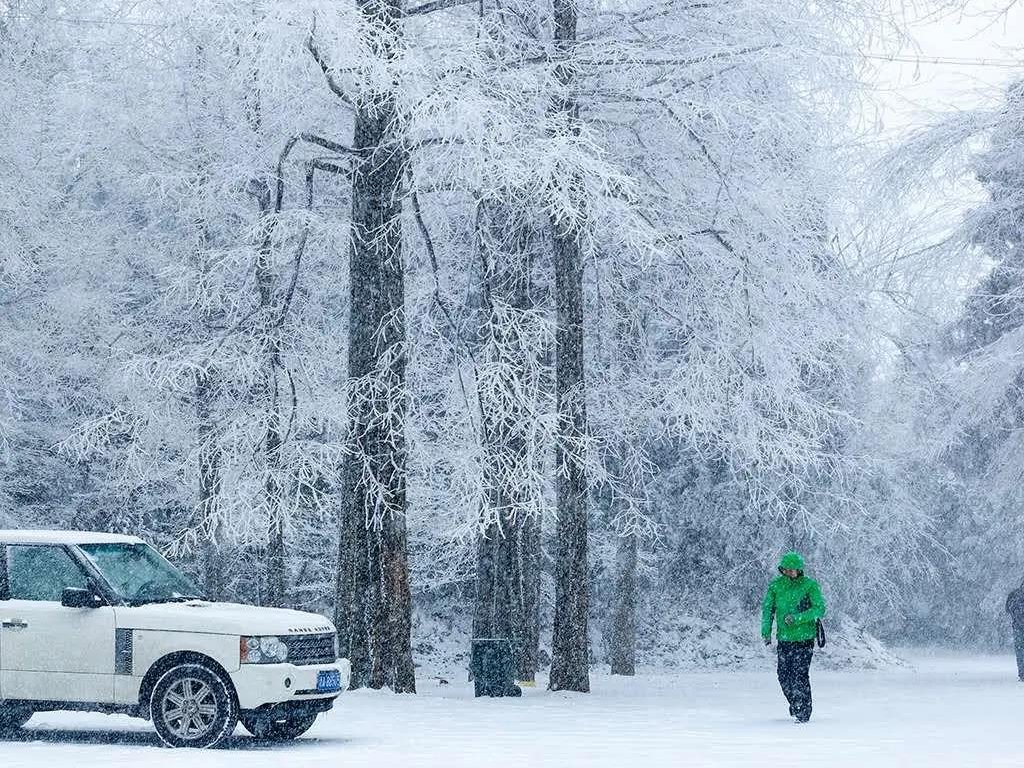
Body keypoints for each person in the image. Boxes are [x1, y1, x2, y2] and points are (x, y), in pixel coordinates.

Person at [761, 551, 826, 723]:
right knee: (783, 675)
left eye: (793, 570)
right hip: (784, 639)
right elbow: (768, 610)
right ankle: (796, 703)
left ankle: (803, 712)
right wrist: (766, 632)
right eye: (786, 569)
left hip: (805, 638)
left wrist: (797, 619)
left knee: (799, 675)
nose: (790, 572)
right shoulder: (775, 586)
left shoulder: (809, 585)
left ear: (800, 570)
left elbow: (820, 608)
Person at [1006, 582, 1024, 681]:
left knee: (1020, 652)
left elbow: (1007, 609)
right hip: (1018, 628)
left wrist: (1016, 618)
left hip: (1018, 628)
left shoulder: (1014, 594)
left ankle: (1022, 673)